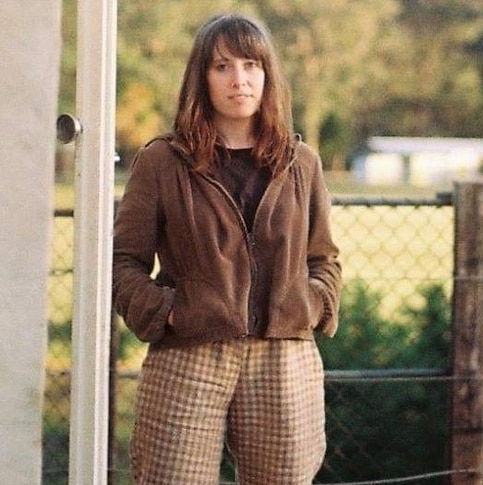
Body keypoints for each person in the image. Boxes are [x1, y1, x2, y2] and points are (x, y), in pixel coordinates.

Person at [112, 13, 342, 484]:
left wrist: (311, 305)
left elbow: (324, 259)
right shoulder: (163, 161)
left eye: (251, 65)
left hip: (283, 360)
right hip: (188, 355)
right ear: (202, 78)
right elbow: (122, 263)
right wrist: (172, 312)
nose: (239, 79)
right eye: (222, 66)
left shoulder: (302, 163)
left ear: (267, 74)